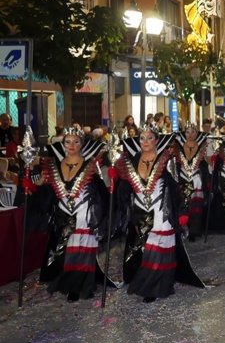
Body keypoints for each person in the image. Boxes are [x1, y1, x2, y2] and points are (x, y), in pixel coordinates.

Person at [115, 124, 204, 302]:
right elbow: (125, 190)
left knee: (159, 249)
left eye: (149, 138)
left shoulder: (167, 160)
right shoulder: (131, 160)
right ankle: (152, 282)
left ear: (156, 140)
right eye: (142, 138)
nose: (145, 142)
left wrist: (181, 211)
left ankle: (157, 285)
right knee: (144, 249)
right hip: (139, 212)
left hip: (162, 210)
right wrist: (115, 179)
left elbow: (176, 188)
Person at [29, 128, 110, 301]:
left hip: (84, 211)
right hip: (64, 213)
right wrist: (38, 184)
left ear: (82, 144)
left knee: (83, 250)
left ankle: (84, 286)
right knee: (68, 251)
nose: (72, 145)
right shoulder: (55, 165)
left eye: (76, 142)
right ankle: (72, 283)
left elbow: (101, 190)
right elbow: (47, 192)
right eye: (68, 142)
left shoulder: (90, 164)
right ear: (63, 144)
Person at [174, 122, 210, 242]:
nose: (190, 135)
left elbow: (207, 164)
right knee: (183, 206)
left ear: (197, 133)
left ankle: (194, 232)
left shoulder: (203, 145)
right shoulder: (178, 146)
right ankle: (182, 229)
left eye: (193, 132)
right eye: (187, 132)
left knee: (195, 208)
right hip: (182, 180)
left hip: (196, 181)